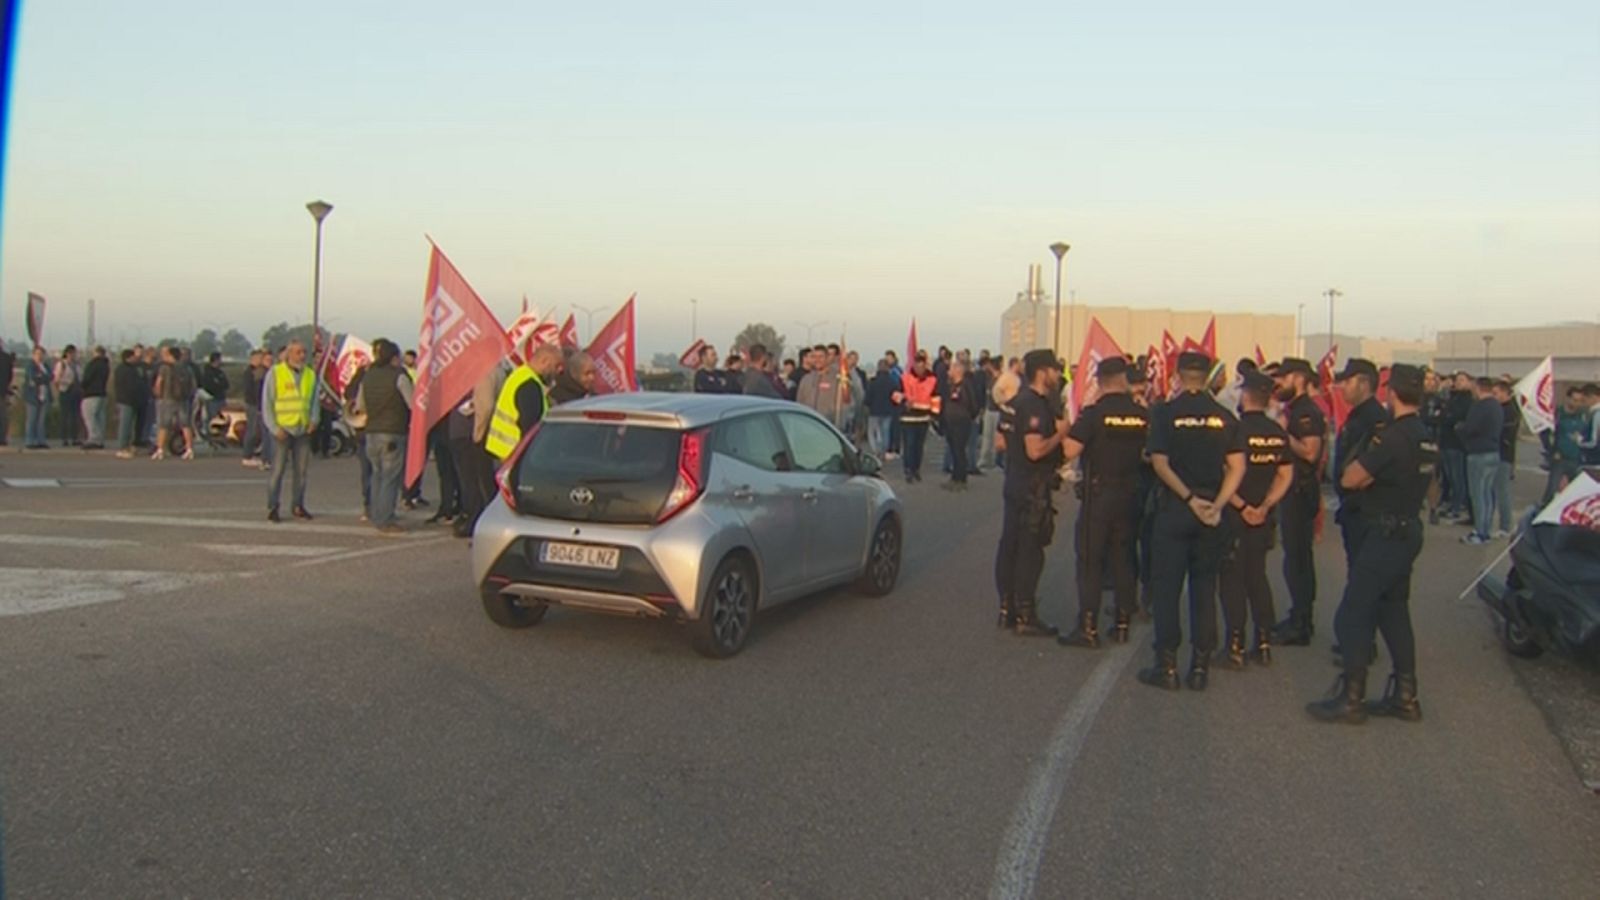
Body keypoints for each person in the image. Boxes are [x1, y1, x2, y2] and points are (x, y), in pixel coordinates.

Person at [1308, 364, 1434, 725]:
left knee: (1354, 613)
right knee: (1393, 610)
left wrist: (1364, 480)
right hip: (1408, 528)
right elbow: (1433, 489)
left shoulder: (1392, 437)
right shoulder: (1426, 436)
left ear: (1390, 393)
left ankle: (1351, 698)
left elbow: (1350, 477)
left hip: (1383, 532)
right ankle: (1405, 696)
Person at [1138, 351, 1246, 692]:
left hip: (1176, 508)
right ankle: (1200, 667)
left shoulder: (1166, 413)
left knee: (1167, 588)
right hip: (1211, 511)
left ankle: (1166, 665)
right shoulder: (1224, 415)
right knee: (1204, 588)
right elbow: (1238, 467)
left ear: (1178, 375)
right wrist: (1217, 504)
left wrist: (1188, 499)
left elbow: (1159, 463)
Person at [1057, 356, 1149, 649]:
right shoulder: (1142, 414)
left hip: (1100, 496)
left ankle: (1088, 626)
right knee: (1123, 558)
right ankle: (1122, 622)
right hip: (1131, 494)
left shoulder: (1094, 414)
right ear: (1123, 379)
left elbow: (1069, 450)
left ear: (1098, 381)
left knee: (1090, 559)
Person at [1217, 371, 1294, 667]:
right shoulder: (1277, 433)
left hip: (1237, 515)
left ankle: (1234, 644)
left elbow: (1225, 472)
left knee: (1232, 579)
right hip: (1263, 516)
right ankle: (1262, 641)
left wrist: (1241, 505)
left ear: (1245, 396)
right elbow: (1286, 473)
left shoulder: (1235, 431)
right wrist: (1265, 505)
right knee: (1257, 577)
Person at [994, 350, 1067, 636]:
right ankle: (1026, 613)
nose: (1058, 375)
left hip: (1013, 480)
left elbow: (1000, 443)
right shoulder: (1035, 406)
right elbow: (1035, 450)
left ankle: (1006, 607)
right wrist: (1061, 433)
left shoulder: (1012, 403)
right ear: (1042, 372)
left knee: (1009, 545)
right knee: (1030, 549)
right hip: (1032, 487)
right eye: (1055, 370)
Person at [1270, 358, 1327, 646]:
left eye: (1283, 378)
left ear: (1299, 378)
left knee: (1299, 559)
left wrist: (1283, 433)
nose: (1277, 384)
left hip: (1300, 490)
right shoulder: (1292, 409)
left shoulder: (1306, 413)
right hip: (1291, 489)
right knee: (1293, 558)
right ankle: (1298, 615)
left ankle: (1302, 621)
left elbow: (1309, 452)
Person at [1332, 359, 1390, 566]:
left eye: (1348, 382)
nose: (1342, 388)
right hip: (1353, 506)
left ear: (1364, 384)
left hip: (1365, 508)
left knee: (1364, 571)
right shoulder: (1357, 415)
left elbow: (1373, 464)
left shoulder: (1374, 418)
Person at [356, 339, 414, 536]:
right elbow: (412, 404)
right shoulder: (399, 377)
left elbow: (360, 406)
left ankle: (376, 513)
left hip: (371, 432)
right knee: (390, 477)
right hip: (393, 432)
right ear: (394, 358)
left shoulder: (368, 377)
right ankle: (386, 519)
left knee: (377, 475)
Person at [262, 339, 319, 522]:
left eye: (303, 352)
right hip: (282, 429)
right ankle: (273, 507)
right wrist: (273, 427)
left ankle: (298, 505)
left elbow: (314, 401)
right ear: (288, 354)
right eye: (297, 352)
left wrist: (314, 420)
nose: (301, 356)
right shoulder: (276, 373)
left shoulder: (310, 374)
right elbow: (267, 403)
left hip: (302, 429)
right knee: (277, 471)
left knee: (301, 472)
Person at [487, 343, 562, 462]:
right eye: (556, 365)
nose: (559, 370)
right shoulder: (529, 384)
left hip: (504, 451)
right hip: (515, 454)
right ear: (544, 361)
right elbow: (530, 427)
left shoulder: (520, 375)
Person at [1456, 377, 1504, 545]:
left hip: (1478, 453)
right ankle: (1487, 530)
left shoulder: (1480, 406)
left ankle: (1479, 532)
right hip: (1494, 452)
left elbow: (1471, 427)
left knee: (1477, 494)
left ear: (1478, 388)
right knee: (1487, 494)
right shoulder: (1497, 406)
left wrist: (1460, 428)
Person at [893, 352, 940, 482]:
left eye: (922, 366)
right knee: (909, 445)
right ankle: (908, 470)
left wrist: (934, 415)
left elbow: (936, 399)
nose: (920, 368)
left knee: (919, 447)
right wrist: (903, 402)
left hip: (923, 418)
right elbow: (896, 395)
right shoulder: (905, 378)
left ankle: (916, 469)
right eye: (917, 365)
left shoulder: (932, 380)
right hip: (908, 417)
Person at [939, 361, 980, 491]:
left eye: (950, 369)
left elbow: (973, 404)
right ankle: (954, 477)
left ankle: (961, 479)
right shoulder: (950, 385)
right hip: (950, 422)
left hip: (961, 422)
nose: (948, 372)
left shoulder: (966, 385)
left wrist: (967, 416)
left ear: (958, 370)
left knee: (959, 450)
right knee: (953, 450)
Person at [1438, 371, 1474, 520]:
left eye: (1462, 380)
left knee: (1457, 476)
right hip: (1445, 441)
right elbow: (1442, 415)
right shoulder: (1452, 397)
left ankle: (1458, 507)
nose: (1458, 383)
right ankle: (1453, 504)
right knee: (1449, 476)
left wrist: (1447, 416)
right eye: (1457, 380)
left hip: (1457, 444)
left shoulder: (1468, 400)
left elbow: (1456, 417)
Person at [1543, 387, 1588, 503]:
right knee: (1552, 490)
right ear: (1568, 399)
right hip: (1560, 458)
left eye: (1579, 400)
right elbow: (1545, 434)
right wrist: (1552, 451)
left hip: (1577, 459)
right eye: (1574, 400)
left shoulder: (1583, 415)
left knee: (1575, 494)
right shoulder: (1557, 414)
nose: (1576, 403)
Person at [152, 345, 197, 461]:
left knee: (163, 425)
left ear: (170, 355)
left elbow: (159, 382)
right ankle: (189, 449)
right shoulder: (186, 368)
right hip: (183, 400)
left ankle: (160, 449)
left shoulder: (164, 368)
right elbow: (193, 385)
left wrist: (157, 394)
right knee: (185, 425)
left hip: (167, 399)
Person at [1491, 380, 1519, 538]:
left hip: (1504, 454)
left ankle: (1506, 525)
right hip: (1499, 452)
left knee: (1502, 490)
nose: (1494, 397)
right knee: (1496, 489)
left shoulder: (1509, 411)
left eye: (1496, 393)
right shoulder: (1500, 409)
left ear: (1504, 393)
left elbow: (1505, 433)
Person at [112, 349, 144, 459]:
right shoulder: (125, 370)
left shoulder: (129, 369)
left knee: (129, 424)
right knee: (125, 425)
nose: (136, 358)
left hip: (129, 400)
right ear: (128, 358)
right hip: (127, 400)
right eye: (133, 357)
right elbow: (130, 386)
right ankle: (122, 447)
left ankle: (127, 445)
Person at [79, 346, 110, 450]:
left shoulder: (93, 364)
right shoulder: (106, 365)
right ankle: (100, 439)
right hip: (102, 393)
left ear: (95, 353)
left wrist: (82, 386)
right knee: (100, 418)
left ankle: (93, 438)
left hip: (91, 393)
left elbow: (87, 378)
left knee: (89, 416)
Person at [865, 359, 898, 456]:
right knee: (885, 432)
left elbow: (868, 397)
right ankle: (884, 451)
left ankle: (876, 451)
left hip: (874, 411)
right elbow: (896, 397)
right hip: (888, 411)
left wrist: (867, 405)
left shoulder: (873, 382)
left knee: (873, 433)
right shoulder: (892, 382)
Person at [53, 344, 83, 446]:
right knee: (65, 415)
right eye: (70, 353)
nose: (72, 355)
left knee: (75, 416)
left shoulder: (77, 365)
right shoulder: (61, 364)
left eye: (74, 353)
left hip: (76, 392)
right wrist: (65, 383)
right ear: (66, 354)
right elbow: (56, 379)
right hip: (66, 391)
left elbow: (81, 377)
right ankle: (64, 438)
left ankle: (75, 438)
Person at [23, 346, 52, 449]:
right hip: (33, 396)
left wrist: (42, 378)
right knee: (32, 419)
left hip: (44, 395)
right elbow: (33, 378)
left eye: (41, 354)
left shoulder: (46, 366)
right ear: (33, 355)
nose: (40, 356)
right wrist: (43, 378)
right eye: (37, 354)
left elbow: (50, 377)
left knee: (41, 420)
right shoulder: (30, 365)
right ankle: (30, 441)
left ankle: (41, 440)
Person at [200, 351, 230, 426]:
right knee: (210, 418)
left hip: (221, 398)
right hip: (212, 399)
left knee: (222, 418)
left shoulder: (220, 372)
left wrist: (219, 384)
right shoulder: (208, 372)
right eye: (220, 359)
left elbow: (226, 384)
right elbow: (208, 385)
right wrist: (218, 385)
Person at [0, 341, 14, 446]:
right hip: (3, 390)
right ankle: (2, 438)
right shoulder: (7, 358)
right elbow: (10, 375)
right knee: (3, 416)